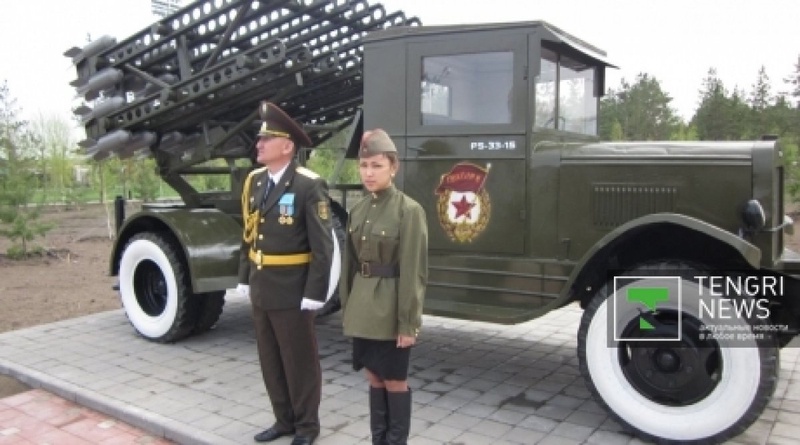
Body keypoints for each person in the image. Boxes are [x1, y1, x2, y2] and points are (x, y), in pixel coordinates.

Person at [237, 101, 333, 445]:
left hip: (293, 290)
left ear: (287, 146)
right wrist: (244, 277)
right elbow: (249, 233)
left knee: (299, 362)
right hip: (263, 287)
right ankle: (283, 420)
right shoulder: (256, 182)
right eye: (259, 140)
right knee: (271, 359)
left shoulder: (308, 185)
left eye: (266, 139)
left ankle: (307, 427)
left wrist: (314, 292)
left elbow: (323, 247)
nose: (258, 145)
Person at [340, 129, 428, 445]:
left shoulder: (409, 211)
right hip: (363, 308)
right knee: (373, 377)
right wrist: (347, 309)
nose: (368, 173)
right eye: (364, 165)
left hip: (391, 309)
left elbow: (413, 272)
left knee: (394, 381)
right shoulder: (358, 210)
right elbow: (349, 266)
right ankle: (379, 440)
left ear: (393, 167)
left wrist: (408, 324)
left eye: (376, 165)